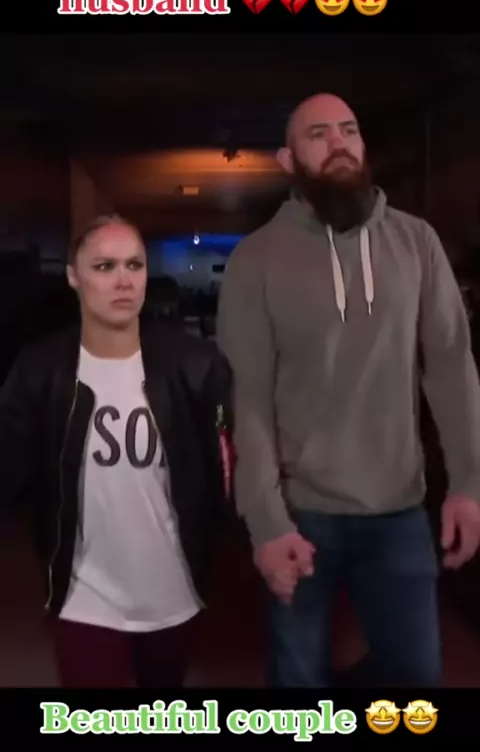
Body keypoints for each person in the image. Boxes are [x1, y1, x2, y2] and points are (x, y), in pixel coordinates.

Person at [217, 92, 480, 688]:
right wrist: (266, 523)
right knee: (298, 686)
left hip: (399, 511)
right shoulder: (256, 261)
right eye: (319, 134)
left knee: (416, 686)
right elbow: (248, 400)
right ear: (289, 160)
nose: (338, 142)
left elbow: (449, 365)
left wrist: (468, 483)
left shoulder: (417, 242)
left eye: (349, 129)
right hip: (301, 514)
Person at [0, 214, 233, 688]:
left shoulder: (197, 364)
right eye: (104, 266)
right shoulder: (40, 368)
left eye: (134, 264)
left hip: (173, 592)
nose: (123, 280)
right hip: (84, 594)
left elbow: (225, 468)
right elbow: (11, 467)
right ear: (74, 276)